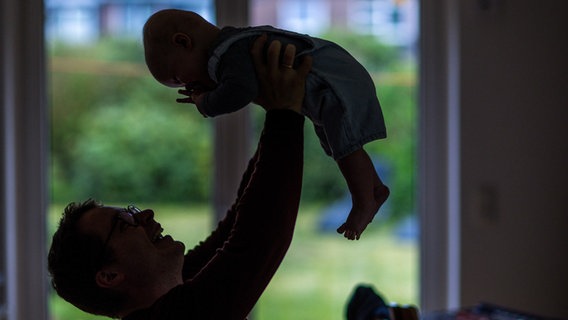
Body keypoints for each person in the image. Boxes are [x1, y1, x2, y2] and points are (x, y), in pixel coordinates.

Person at [48, 36, 311, 319]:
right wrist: (284, 114)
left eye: (131, 212)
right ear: (110, 276)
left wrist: (273, 102)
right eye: (125, 224)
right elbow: (257, 243)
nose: (146, 215)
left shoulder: (170, 289)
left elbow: (239, 226)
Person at [142, 9, 390, 240]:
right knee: (344, 147)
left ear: (183, 42)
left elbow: (239, 92)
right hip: (332, 82)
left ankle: (362, 201)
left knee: (346, 147)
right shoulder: (234, 48)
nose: (186, 86)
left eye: (178, 78)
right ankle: (375, 189)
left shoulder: (230, 52)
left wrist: (205, 102)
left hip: (333, 82)